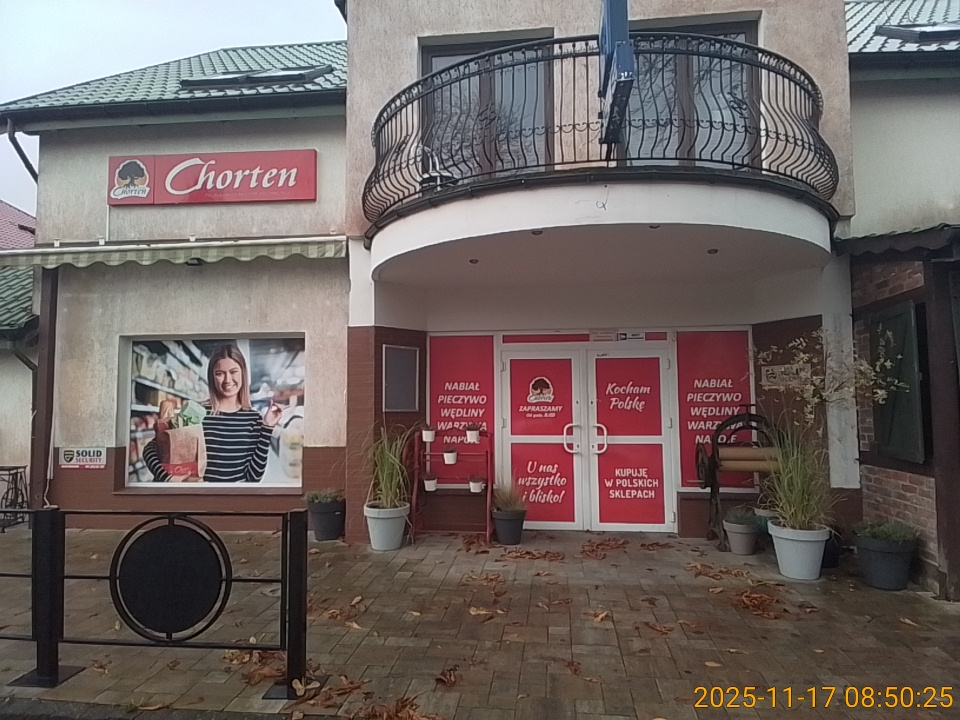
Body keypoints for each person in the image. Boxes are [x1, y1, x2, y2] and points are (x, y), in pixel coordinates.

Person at [143, 344, 282, 482]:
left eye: (233, 372)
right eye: (219, 373)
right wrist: (167, 478)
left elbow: (254, 477)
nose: (227, 380)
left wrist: (267, 428)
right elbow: (151, 449)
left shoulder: (253, 418)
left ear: (243, 373)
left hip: (235, 496)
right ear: (212, 377)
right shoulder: (196, 412)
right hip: (199, 495)